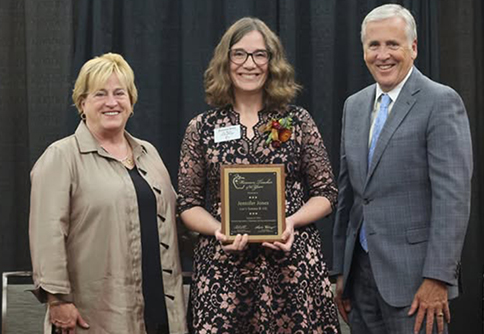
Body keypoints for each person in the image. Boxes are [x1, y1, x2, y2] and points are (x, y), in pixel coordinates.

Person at [177, 17, 341, 333]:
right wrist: (219, 230)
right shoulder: (202, 128)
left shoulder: (297, 121)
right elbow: (188, 204)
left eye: (259, 54)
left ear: (272, 61)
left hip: (292, 268)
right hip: (223, 273)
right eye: (239, 54)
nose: (249, 64)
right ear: (226, 61)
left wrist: (290, 222)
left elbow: (326, 193)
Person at [332, 4, 473, 334]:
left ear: (413, 47)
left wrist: (438, 278)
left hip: (417, 284)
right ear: (364, 50)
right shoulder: (354, 106)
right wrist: (341, 271)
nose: (383, 55)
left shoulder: (440, 102)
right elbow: (348, 195)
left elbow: (453, 199)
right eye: (374, 45)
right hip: (359, 278)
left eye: (392, 44)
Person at [29, 53, 187, 334]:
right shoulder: (62, 156)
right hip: (96, 315)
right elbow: (47, 233)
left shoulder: (149, 153)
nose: (112, 102)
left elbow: (176, 219)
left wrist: (223, 230)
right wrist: (58, 300)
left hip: (161, 312)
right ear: (82, 103)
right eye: (100, 94)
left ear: (131, 101)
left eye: (119, 93)